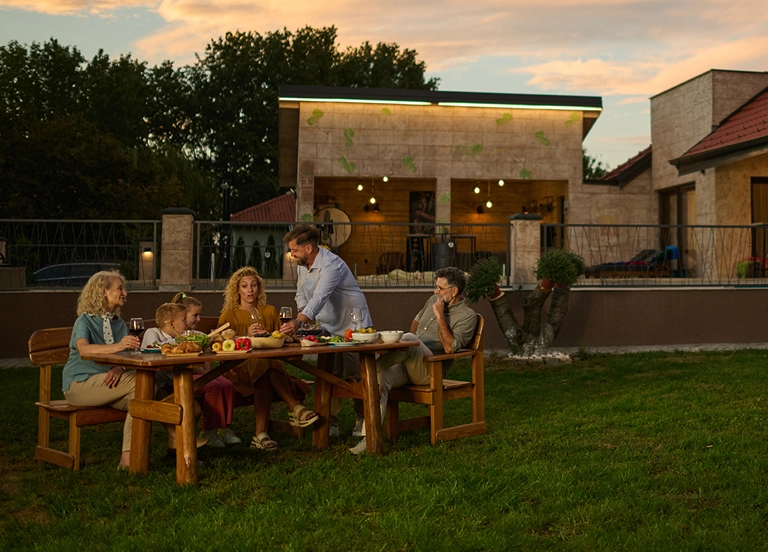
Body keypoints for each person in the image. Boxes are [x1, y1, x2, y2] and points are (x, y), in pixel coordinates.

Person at [349, 267, 477, 454]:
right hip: (409, 360)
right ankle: (369, 439)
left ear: (454, 291)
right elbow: (416, 321)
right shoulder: (433, 300)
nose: (435, 292)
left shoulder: (467, 316)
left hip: (430, 370)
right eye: (435, 287)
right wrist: (405, 349)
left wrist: (440, 315)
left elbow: (450, 347)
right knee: (380, 377)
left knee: (408, 339)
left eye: (440, 288)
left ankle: (363, 373)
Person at [281, 223, 372, 438]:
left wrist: (299, 322)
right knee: (330, 374)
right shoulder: (303, 264)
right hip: (329, 326)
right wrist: (304, 313)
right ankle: (331, 421)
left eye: (294, 250)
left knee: (355, 376)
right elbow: (301, 294)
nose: (292, 254)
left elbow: (320, 297)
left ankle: (363, 419)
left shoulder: (332, 265)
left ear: (309, 248)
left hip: (353, 325)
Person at [218, 266, 318, 451]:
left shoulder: (270, 311)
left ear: (259, 288)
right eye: (245, 286)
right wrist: (244, 337)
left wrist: (283, 336)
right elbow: (223, 345)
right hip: (237, 369)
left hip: (264, 366)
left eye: (253, 285)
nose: (250, 290)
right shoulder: (229, 314)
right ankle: (294, 408)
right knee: (266, 365)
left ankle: (261, 436)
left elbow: (277, 337)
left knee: (264, 366)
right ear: (237, 290)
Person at [61, 270, 146, 469]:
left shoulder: (118, 324)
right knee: (141, 384)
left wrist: (120, 366)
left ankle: (128, 459)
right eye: (120, 288)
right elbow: (83, 348)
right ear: (103, 292)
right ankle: (174, 438)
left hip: (110, 384)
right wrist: (118, 347)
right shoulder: (84, 320)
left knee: (145, 394)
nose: (125, 293)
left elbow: (126, 356)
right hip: (80, 383)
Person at [143, 300, 241, 448]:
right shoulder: (153, 333)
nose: (186, 324)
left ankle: (223, 428)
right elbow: (156, 347)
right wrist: (181, 341)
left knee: (225, 383)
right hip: (168, 383)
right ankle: (208, 430)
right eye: (183, 320)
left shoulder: (185, 334)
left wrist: (211, 339)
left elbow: (206, 338)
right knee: (213, 385)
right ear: (171, 322)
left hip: (186, 374)